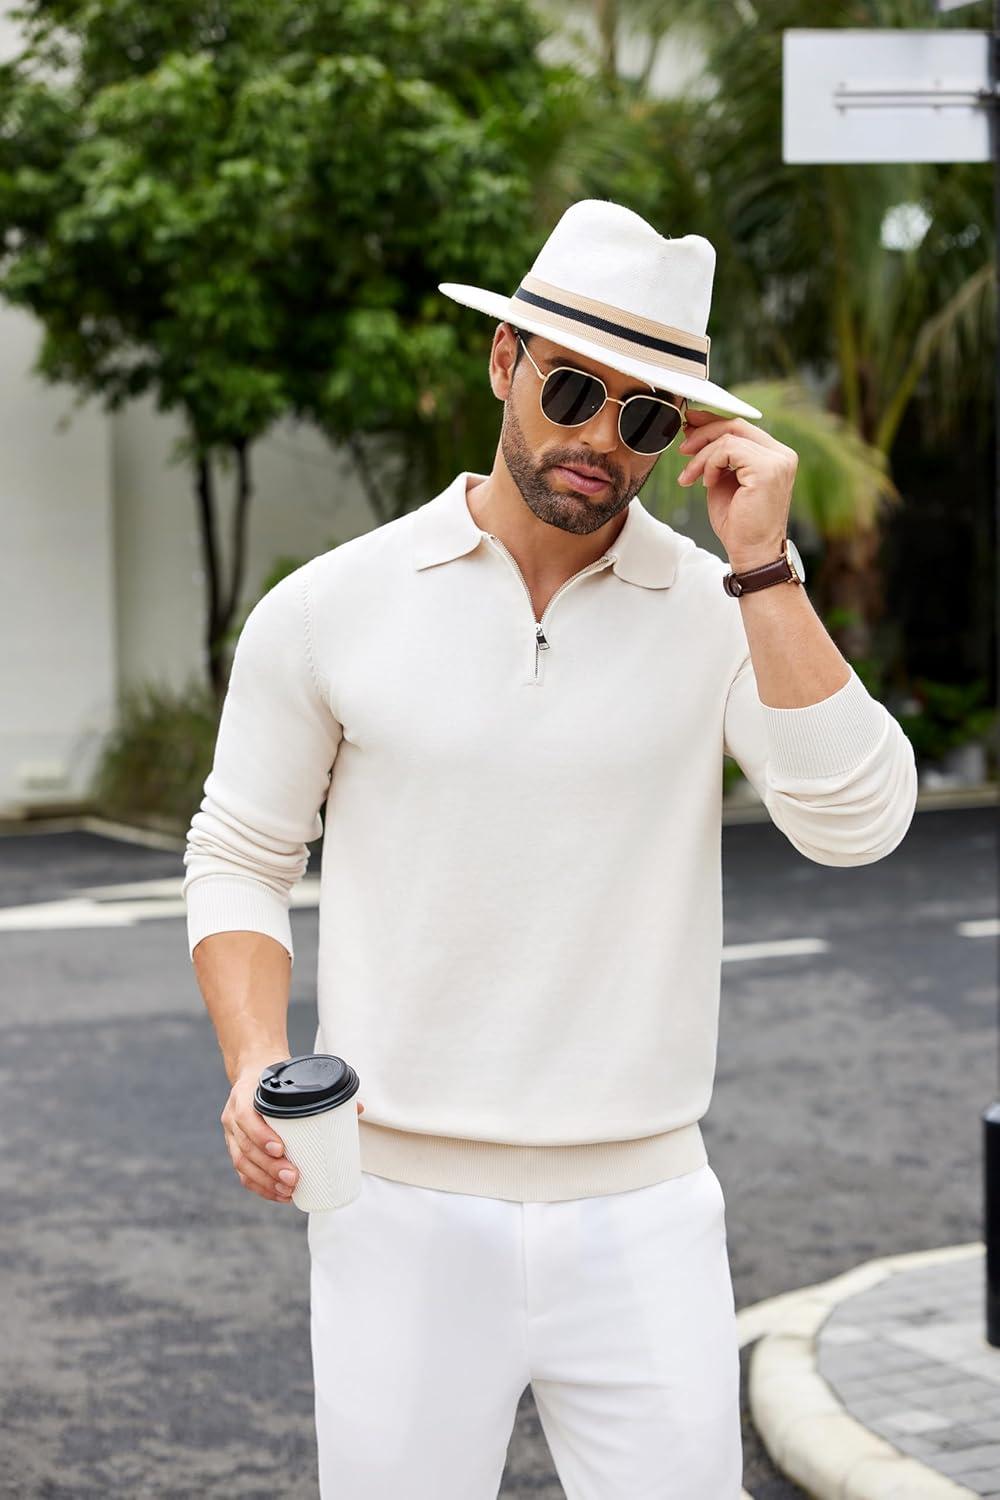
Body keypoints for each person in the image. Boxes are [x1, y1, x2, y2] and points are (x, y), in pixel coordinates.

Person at [182, 198, 918, 1499]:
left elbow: (858, 823)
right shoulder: (331, 607)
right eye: (573, 389)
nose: (600, 440)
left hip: (646, 1210)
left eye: (646, 417)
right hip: (393, 1207)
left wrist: (764, 568)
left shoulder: (721, 610)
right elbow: (241, 852)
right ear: (503, 361)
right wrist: (254, 1065)